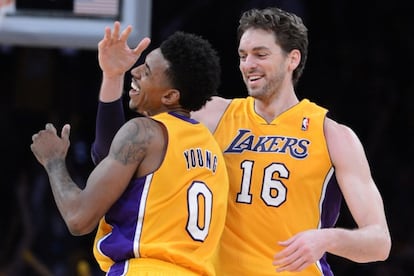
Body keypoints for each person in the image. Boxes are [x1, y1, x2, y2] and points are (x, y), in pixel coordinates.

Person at [91, 7, 392, 276]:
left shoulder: (333, 135)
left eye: (261, 54)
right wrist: (113, 77)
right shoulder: (213, 114)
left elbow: (379, 242)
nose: (248, 64)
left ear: (292, 59)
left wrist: (326, 238)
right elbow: (112, 155)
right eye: (243, 55)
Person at [30, 26, 229, 276]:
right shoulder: (211, 148)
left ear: (169, 96)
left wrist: (54, 161)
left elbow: (79, 218)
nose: (134, 71)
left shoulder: (144, 133)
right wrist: (113, 76)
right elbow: (111, 157)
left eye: (146, 72)